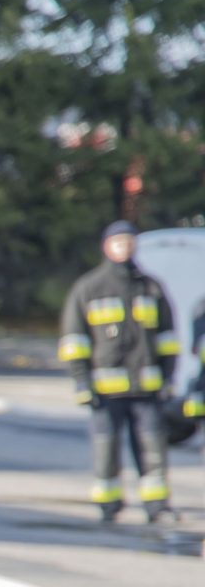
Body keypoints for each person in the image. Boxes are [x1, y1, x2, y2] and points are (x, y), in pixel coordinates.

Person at [59, 220, 180, 524]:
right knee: (107, 450)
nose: (124, 248)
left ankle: (156, 506)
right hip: (105, 390)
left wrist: (167, 378)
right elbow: (74, 342)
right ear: (106, 247)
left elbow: (167, 339)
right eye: (118, 243)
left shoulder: (150, 287)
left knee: (153, 451)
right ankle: (109, 505)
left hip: (146, 388)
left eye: (129, 242)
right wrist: (82, 382)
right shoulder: (89, 288)